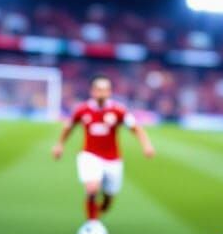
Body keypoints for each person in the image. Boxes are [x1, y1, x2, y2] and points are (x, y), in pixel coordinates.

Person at [51, 74, 155, 221]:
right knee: (92, 189)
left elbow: (136, 128)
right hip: (90, 155)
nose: (102, 93)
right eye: (99, 90)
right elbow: (69, 126)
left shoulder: (118, 111)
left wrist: (146, 145)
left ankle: (98, 212)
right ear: (92, 91)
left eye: (105, 90)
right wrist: (59, 144)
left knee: (108, 199)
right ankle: (92, 223)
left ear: (110, 92)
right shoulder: (82, 110)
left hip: (112, 159)